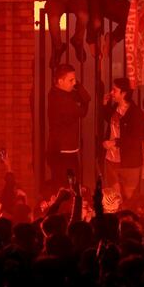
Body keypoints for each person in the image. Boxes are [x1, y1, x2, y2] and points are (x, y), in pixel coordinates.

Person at [46, 64, 90, 192]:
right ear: (60, 81)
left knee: (66, 185)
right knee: (67, 187)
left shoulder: (55, 92)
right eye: (71, 80)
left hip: (61, 149)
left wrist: (77, 86)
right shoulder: (62, 100)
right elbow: (84, 108)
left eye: (74, 79)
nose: (74, 83)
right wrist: (80, 88)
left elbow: (82, 97)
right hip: (64, 151)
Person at [101, 78, 144, 202]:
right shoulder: (116, 108)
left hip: (129, 163)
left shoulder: (135, 113)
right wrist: (105, 105)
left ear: (124, 93)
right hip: (111, 159)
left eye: (115, 90)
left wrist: (115, 142)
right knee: (114, 196)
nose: (111, 93)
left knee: (129, 197)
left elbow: (135, 139)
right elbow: (110, 120)